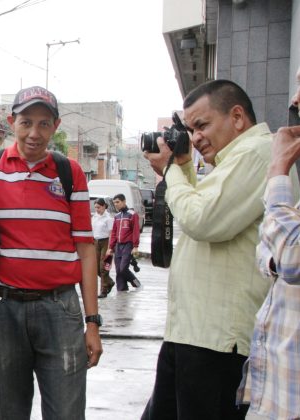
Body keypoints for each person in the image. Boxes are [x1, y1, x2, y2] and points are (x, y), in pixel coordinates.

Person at [140, 79, 300, 419]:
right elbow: (201, 208)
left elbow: (202, 220)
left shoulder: (259, 152)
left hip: (217, 343)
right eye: (190, 129)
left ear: (238, 117)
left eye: (202, 125)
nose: (195, 137)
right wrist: (181, 169)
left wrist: (172, 172)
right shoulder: (233, 161)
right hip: (195, 334)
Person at [0, 86, 102, 419]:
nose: (34, 133)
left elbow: (86, 249)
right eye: (26, 122)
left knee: (66, 413)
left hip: (59, 308)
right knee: (9, 411)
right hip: (0, 309)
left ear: (55, 127)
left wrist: (92, 322)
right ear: (11, 121)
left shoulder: (69, 172)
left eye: (44, 124)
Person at [236, 76, 300, 419]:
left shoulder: (275, 167)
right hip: (278, 395)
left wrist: (277, 171)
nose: (295, 98)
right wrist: (280, 256)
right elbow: (269, 251)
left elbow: (290, 255)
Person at [106, 193, 141, 292]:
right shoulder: (117, 216)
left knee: (123, 269)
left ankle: (137, 284)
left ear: (124, 201)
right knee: (118, 271)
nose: (116, 204)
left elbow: (135, 231)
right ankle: (122, 290)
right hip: (118, 246)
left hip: (128, 245)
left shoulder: (132, 214)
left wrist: (135, 246)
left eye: (118, 202)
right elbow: (114, 232)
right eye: (114, 203)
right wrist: (111, 247)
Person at [92, 197, 115, 297]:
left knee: (104, 266)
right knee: (96, 268)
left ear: (104, 206)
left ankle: (104, 290)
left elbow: (111, 234)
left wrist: (110, 248)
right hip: (95, 242)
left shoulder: (108, 218)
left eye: (99, 207)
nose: (97, 209)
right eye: (96, 207)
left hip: (106, 242)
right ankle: (109, 281)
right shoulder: (94, 217)